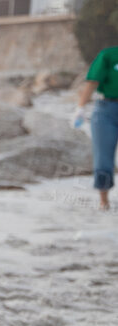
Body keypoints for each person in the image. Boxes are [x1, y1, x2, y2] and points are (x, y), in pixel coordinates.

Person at [74, 44, 118, 210]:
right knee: (103, 157)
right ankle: (104, 202)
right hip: (106, 110)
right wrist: (80, 108)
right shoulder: (109, 55)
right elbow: (92, 82)